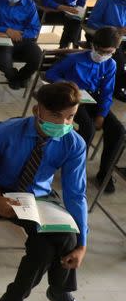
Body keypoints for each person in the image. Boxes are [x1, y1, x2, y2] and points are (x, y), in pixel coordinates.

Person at [0, 82, 102, 301]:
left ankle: (27, 298)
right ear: (36, 110)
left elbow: (76, 194)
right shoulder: (7, 132)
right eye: (56, 116)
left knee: (68, 238)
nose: (64, 123)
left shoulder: (73, 143)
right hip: (6, 191)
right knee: (47, 248)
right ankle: (46, 296)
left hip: (39, 195)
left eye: (71, 117)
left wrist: (83, 244)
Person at [46, 27, 125, 193]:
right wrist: (68, 86)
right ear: (93, 45)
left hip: (93, 99)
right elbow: (51, 74)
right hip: (72, 98)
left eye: (108, 52)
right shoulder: (75, 58)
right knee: (87, 128)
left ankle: (104, 174)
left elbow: (107, 92)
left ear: (115, 50)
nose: (102, 55)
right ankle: (74, 168)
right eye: (100, 51)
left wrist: (102, 114)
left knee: (118, 130)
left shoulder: (110, 64)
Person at [87, 0, 126, 100]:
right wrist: (116, 29)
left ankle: (120, 85)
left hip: (123, 39)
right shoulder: (107, 0)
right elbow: (92, 23)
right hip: (107, 37)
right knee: (119, 60)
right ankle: (115, 89)